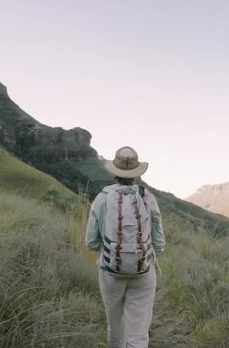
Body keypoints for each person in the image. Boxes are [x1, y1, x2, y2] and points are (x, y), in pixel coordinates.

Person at [85, 146, 165, 348]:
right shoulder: (147, 197)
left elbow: (91, 242)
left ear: (114, 172)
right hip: (143, 271)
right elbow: (160, 242)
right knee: (138, 333)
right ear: (137, 174)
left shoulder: (102, 199)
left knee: (115, 328)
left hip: (111, 271)